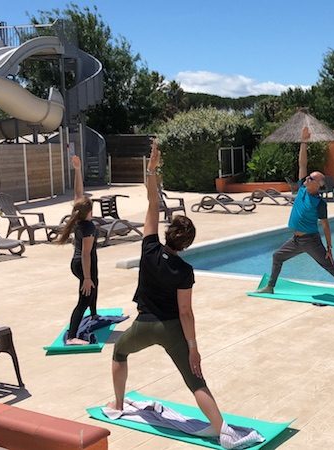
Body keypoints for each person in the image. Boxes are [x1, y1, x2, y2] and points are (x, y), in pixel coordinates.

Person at [107, 146, 236, 444]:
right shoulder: (184, 270)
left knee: (119, 352)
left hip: (143, 325)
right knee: (195, 381)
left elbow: (152, 202)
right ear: (187, 244)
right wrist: (193, 348)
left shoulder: (148, 247)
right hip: (172, 330)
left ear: (168, 233)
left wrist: (152, 169)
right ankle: (222, 430)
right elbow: (186, 313)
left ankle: (118, 404)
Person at [254, 126, 334, 307]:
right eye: (308, 177)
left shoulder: (319, 203)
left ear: (317, 185)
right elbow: (302, 164)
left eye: (311, 178)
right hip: (296, 240)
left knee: (329, 266)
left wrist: (329, 247)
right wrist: (304, 142)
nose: (307, 179)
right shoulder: (302, 189)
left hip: (311, 241)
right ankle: (270, 287)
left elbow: (325, 226)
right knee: (277, 257)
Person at [54, 155, 98, 346]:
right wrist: (87, 278)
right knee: (84, 298)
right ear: (89, 211)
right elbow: (87, 254)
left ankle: (94, 315)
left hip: (79, 263)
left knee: (94, 288)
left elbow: (78, 193)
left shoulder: (78, 217)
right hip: (83, 264)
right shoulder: (88, 228)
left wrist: (78, 170)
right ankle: (72, 337)